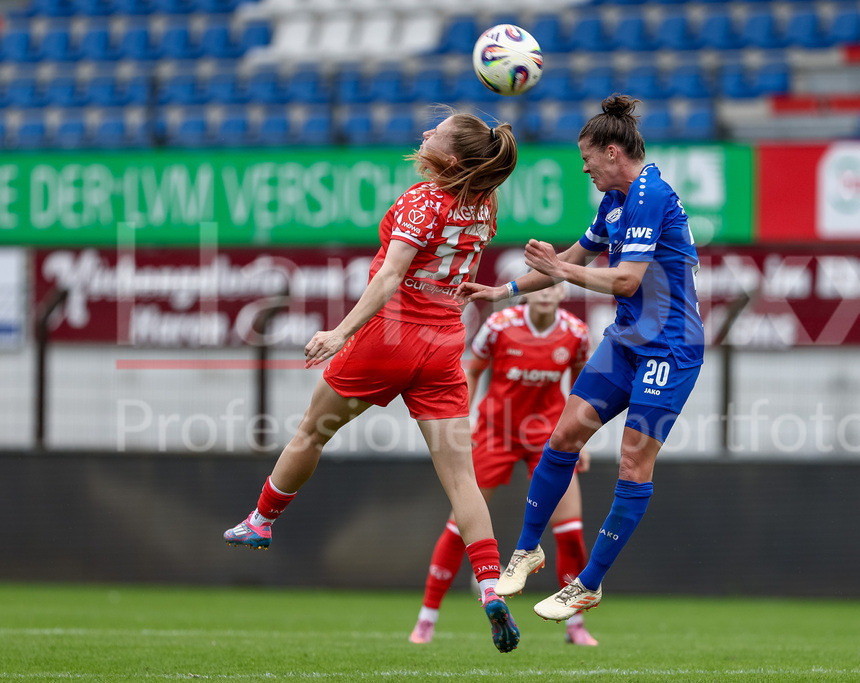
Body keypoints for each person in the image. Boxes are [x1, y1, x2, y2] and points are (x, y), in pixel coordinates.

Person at [222, 110, 523, 653]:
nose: (426, 132)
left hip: (390, 337)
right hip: (444, 345)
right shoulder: (485, 202)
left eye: (437, 131)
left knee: (312, 433)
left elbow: (389, 277)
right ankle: (488, 586)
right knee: (461, 480)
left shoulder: (420, 200)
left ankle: (262, 520)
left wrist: (340, 332)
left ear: (450, 158)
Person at [457, 94, 705, 623]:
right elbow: (568, 261)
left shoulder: (649, 194)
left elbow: (625, 279)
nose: (585, 168)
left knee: (634, 462)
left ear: (612, 152)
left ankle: (588, 584)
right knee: (564, 435)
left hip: (672, 346)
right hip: (628, 340)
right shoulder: (615, 202)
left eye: (587, 158)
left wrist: (562, 272)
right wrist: (499, 292)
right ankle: (527, 550)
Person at [408, 284, 600, 647]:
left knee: (571, 531)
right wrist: (463, 422)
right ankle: (426, 620)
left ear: (562, 291)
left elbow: (580, 387)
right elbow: (471, 370)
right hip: (496, 432)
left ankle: (575, 626)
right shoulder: (499, 325)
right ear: (527, 291)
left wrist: (580, 438)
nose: (545, 291)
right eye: (538, 283)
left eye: (553, 283)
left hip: (548, 438)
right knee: (458, 523)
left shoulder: (575, 332)